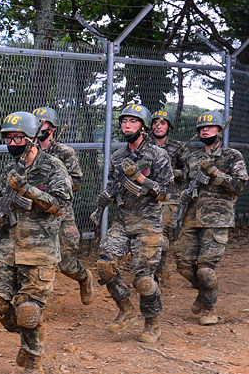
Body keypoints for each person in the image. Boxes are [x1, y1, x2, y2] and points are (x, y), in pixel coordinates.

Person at [0, 111, 72, 374]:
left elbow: (61, 206)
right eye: (9, 137)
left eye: (18, 137)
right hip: (9, 247)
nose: (13, 142)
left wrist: (29, 190)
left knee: (29, 309)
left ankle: (33, 363)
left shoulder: (54, 167)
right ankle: (31, 332)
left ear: (33, 139)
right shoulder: (9, 170)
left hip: (40, 250)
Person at [95, 104, 173, 343]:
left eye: (133, 121)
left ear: (144, 126)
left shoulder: (158, 155)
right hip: (122, 221)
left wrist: (140, 179)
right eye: (124, 121)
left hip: (148, 223)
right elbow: (112, 185)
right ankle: (125, 307)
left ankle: (152, 323)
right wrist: (107, 196)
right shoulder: (118, 156)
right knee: (104, 264)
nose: (126, 125)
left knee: (143, 278)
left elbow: (166, 193)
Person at [172, 111, 248, 325]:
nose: (205, 130)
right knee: (184, 264)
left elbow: (239, 187)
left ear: (219, 130)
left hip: (217, 220)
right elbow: (185, 179)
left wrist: (216, 173)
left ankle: (209, 309)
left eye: (210, 127)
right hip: (191, 218)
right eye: (202, 128)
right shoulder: (193, 157)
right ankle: (204, 293)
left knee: (205, 269)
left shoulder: (232, 156)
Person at [32, 107, 94, 305]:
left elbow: (75, 183)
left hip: (60, 212)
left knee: (65, 262)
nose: (39, 127)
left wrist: (52, 183)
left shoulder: (64, 153)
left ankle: (84, 278)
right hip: (35, 213)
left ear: (53, 128)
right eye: (36, 123)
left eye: (43, 123)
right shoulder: (28, 152)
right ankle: (34, 302)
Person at [150, 109, 186, 284]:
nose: (158, 126)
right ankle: (149, 270)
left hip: (168, 197)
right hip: (147, 196)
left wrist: (170, 172)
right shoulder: (145, 146)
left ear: (168, 127)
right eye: (155, 122)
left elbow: (188, 173)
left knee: (161, 233)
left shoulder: (177, 148)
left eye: (162, 123)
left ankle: (160, 269)